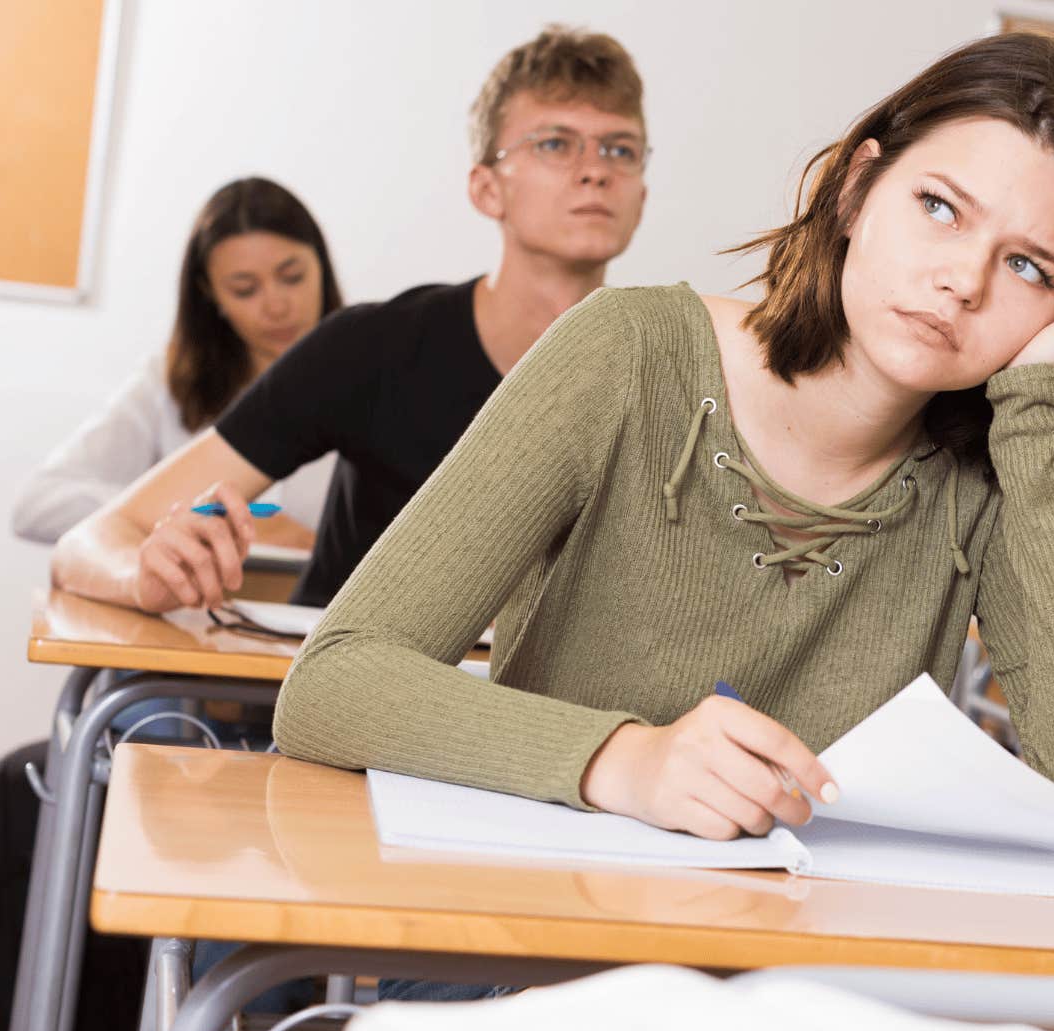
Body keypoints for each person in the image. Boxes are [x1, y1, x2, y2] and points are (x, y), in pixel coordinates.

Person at [274, 30, 1054, 851]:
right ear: (855, 188)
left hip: (791, 973)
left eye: (1029, 267)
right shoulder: (627, 351)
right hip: (530, 936)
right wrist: (624, 762)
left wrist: (1040, 403)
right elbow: (335, 682)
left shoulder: (1002, 467)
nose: (963, 281)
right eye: (940, 208)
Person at [48, 25, 650, 612]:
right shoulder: (371, 347)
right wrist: (141, 574)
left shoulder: (675, 378)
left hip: (536, 711)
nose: (595, 169)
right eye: (554, 143)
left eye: (619, 149)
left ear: (640, 194)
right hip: (332, 705)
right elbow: (93, 539)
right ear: (486, 188)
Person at [13, 177, 340, 543]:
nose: (276, 306)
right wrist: (192, 516)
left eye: (292, 277)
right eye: (244, 289)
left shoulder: (369, 378)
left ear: (321, 266)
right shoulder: (169, 383)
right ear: (209, 292)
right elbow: (36, 504)